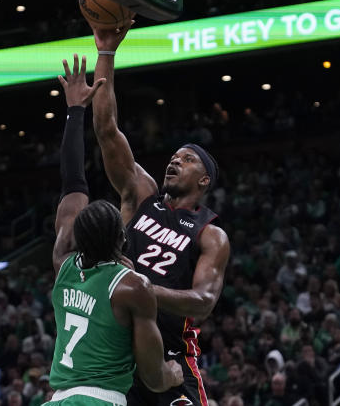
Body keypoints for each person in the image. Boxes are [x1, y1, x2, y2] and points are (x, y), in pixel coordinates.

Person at [89, 24, 230, 406]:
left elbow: (203, 301)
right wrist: (106, 52)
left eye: (187, 159)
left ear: (203, 180)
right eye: (174, 155)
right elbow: (106, 130)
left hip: (171, 353)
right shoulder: (141, 195)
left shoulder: (210, 234)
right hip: (116, 354)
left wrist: (144, 290)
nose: (175, 160)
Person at [43, 54, 183, 406]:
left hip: (57, 398)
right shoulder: (133, 287)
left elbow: (72, 179)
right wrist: (173, 374)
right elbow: (152, 378)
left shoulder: (63, 264)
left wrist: (75, 111)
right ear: (123, 239)